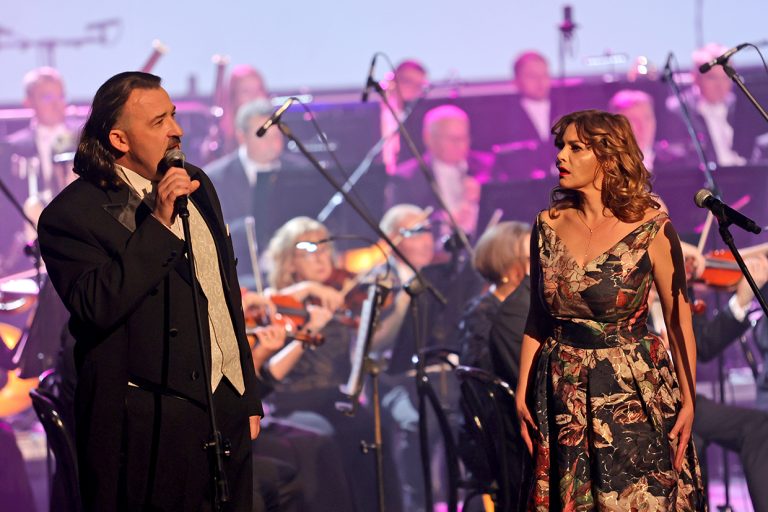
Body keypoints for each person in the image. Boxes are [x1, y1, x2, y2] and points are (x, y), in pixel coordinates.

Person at [37, 71, 264, 511]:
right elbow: (96, 304)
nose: (176, 130)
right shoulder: (71, 215)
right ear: (120, 139)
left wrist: (247, 395)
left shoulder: (198, 183)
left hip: (226, 406)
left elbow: (222, 293)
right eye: (159, 122)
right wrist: (159, 223)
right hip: (152, 424)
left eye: (173, 115)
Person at [516, 109, 706, 510]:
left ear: (607, 156)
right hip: (562, 389)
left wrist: (689, 400)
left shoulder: (652, 227)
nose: (561, 156)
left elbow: (678, 321)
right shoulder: (546, 225)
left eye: (576, 148)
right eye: (561, 146)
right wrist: (522, 392)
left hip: (631, 385)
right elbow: (537, 316)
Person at [262, 216, 403, 512]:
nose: (320, 257)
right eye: (308, 251)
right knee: (339, 433)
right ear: (289, 263)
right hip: (294, 401)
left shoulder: (342, 295)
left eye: (324, 248)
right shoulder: (282, 304)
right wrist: (309, 293)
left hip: (334, 397)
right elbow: (267, 305)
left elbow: (372, 341)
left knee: (374, 428)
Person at [0, 67, 80, 274]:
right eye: (47, 97)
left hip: (80, 241)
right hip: (31, 248)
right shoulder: (13, 147)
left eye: (60, 96)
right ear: (29, 102)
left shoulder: (84, 138)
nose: (57, 104)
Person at [386, 104, 494, 238]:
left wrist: (483, 196)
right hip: (435, 248)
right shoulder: (407, 178)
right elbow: (399, 227)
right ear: (429, 138)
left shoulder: (489, 167)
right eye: (453, 139)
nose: (461, 145)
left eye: (464, 138)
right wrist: (444, 222)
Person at [665, 43, 748, 168]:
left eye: (725, 77)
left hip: (746, 173)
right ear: (696, 78)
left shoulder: (740, 106)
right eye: (712, 78)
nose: (720, 85)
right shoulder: (679, 111)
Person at [493, 51, 560, 182]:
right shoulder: (504, 119)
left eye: (544, 75)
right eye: (532, 76)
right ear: (516, 81)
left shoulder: (564, 109)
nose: (540, 81)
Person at [608, 89, 693, 171]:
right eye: (634, 120)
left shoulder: (677, 164)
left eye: (647, 119)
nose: (643, 127)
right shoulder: (606, 166)